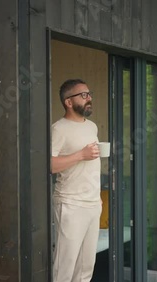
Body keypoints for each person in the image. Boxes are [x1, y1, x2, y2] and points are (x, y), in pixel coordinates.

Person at [51, 79, 102, 282]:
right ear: (68, 102)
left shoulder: (92, 127)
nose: (89, 98)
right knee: (65, 266)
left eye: (89, 94)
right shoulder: (58, 129)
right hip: (70, 203)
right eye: (83, 95)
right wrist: (81, 154)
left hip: (92, 204)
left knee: (85, 269)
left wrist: (97, 200)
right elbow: (51, 165)